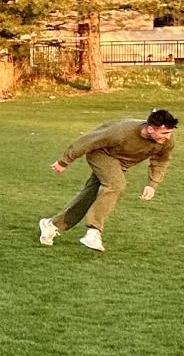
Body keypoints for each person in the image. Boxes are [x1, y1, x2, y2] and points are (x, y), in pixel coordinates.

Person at [40, 108, 174, 253]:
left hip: (119, 164)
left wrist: (152, 184)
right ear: (150, 129)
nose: (168, 137)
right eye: (164, 133)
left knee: (90, 195)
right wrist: (64, 161)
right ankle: (93, 231)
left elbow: (161, 160)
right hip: (100, 154)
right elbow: (88, 141)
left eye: (170, 132)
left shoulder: (166, 141)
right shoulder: (120, 131)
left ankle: (52, 225)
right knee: (116, 185)